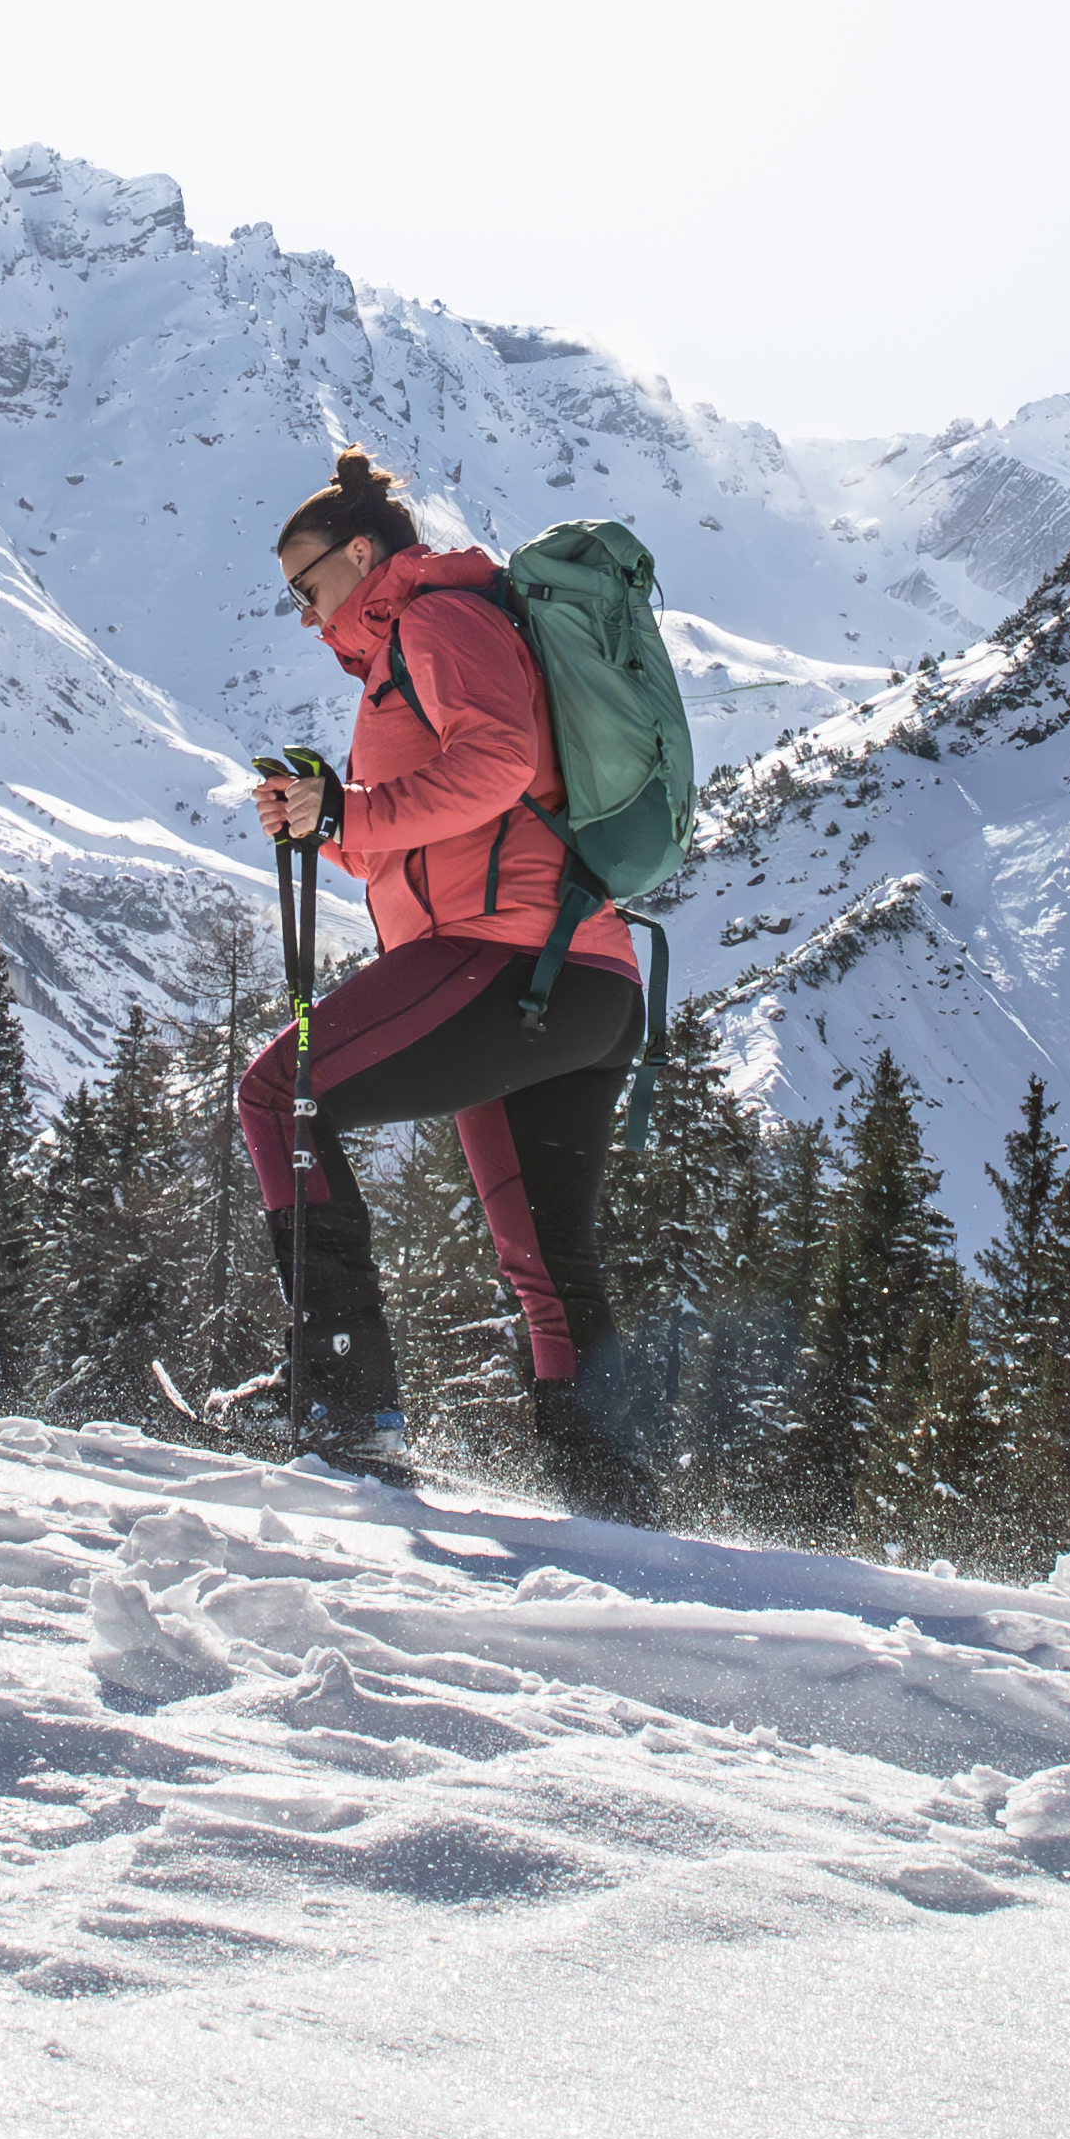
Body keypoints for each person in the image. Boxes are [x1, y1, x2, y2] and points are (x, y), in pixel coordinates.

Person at [236, 449, 648, 1504]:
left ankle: (340, 1393)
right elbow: (411, 838)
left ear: (360, 552)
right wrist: (324, 821)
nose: (303, 613)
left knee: (280, 1093)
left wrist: (345, 810)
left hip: (504, 959)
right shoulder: (421, 641)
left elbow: (498, 764)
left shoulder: (434, 619)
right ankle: (602, 1486)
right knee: (546, 1255)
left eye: (306, 586)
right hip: (579, 977)